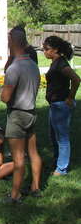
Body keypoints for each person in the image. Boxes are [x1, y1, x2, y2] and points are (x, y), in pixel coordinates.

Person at [1, 27, 43, 202]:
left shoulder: (14, 68)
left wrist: (2, 91)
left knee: (18, 158)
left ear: (12, 41)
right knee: (33, 152)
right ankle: (35, 187)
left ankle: (15, 195)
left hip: (17, 115)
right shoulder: (33, 65)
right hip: (31, 113)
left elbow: (5, 97)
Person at [43, 35, 80, 176]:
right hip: (54, 105)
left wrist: (70, 97)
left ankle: (62, 168)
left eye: (46, 49)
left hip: (61, 105)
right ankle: (57, 162)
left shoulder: (61, 64)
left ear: (55, 50)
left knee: (62, 138)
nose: (44, 51)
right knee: (53, 136)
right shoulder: (55, 62)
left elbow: (76, 79)